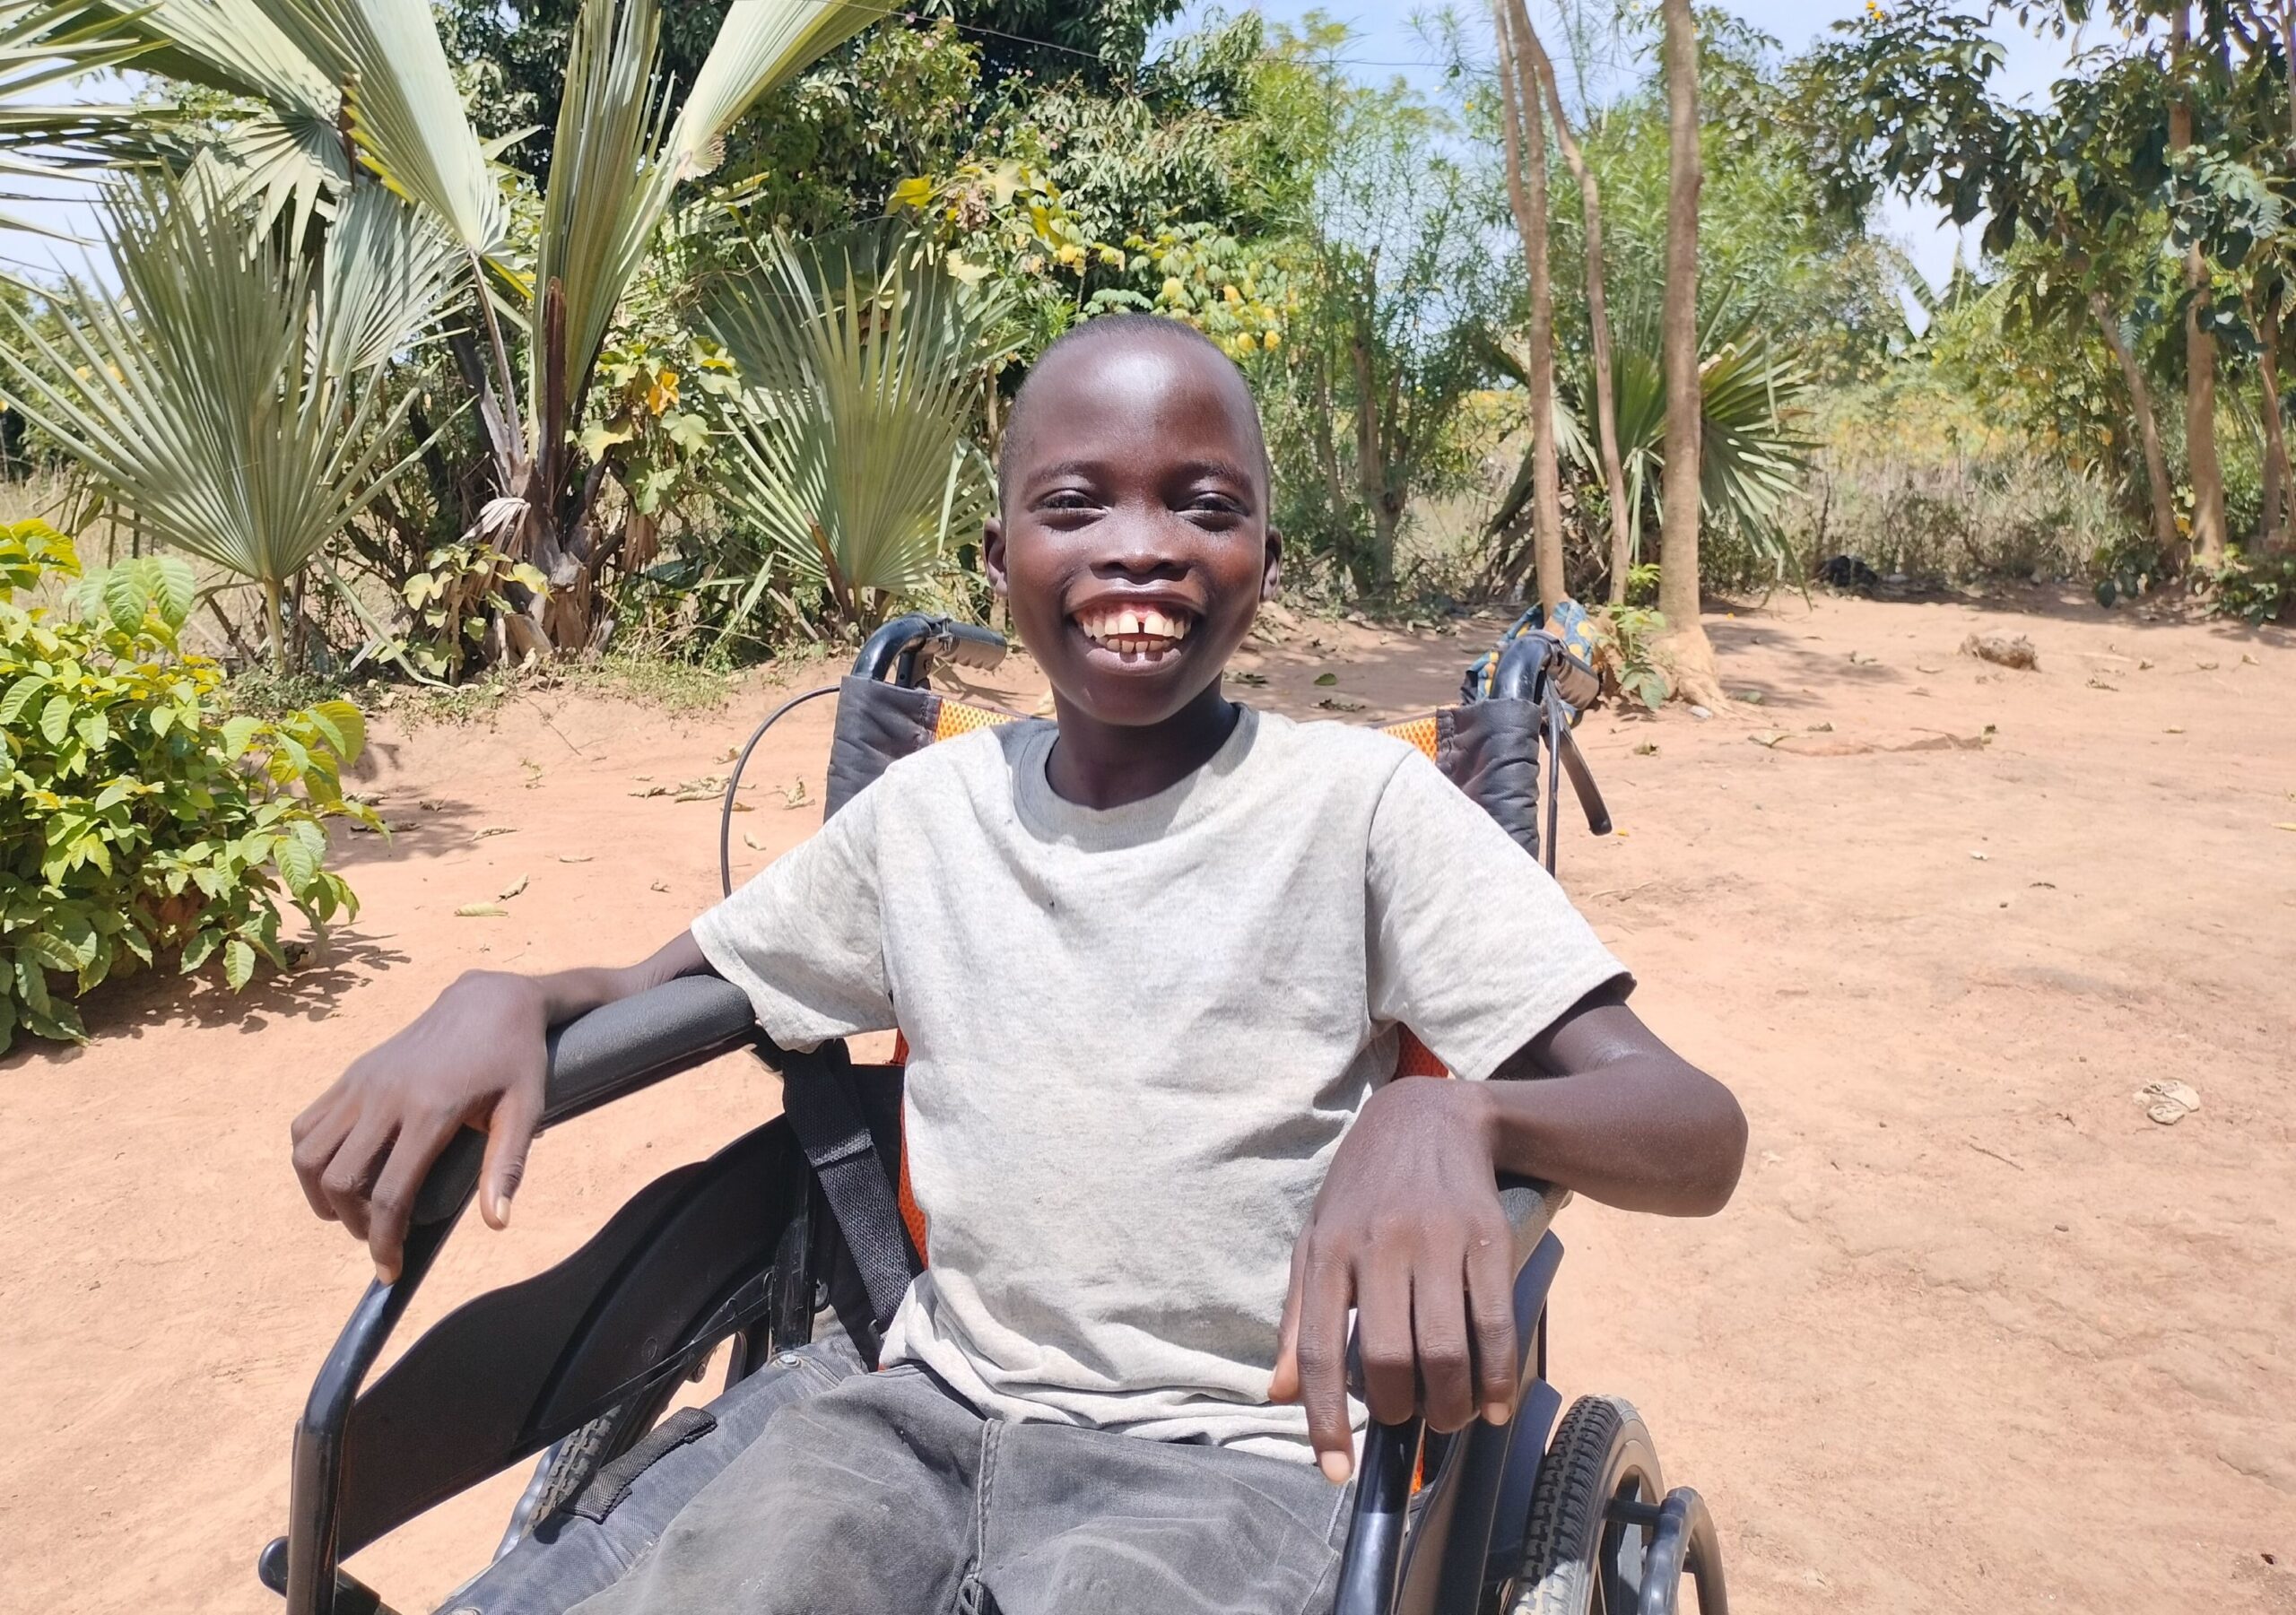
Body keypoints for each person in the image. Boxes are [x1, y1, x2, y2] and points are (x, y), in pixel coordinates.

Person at [288, 314, 1747, 1615]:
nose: (1139, 545)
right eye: (1074, 503)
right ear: (998, 561)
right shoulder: (927, 819)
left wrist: (1461, 1110)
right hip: (920, 1414)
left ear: (1267, 562)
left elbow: (1694, 1130)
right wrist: (511, 998)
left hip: (1229, 1467)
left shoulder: (1358, 810)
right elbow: (680, 983)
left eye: (1203, 504)